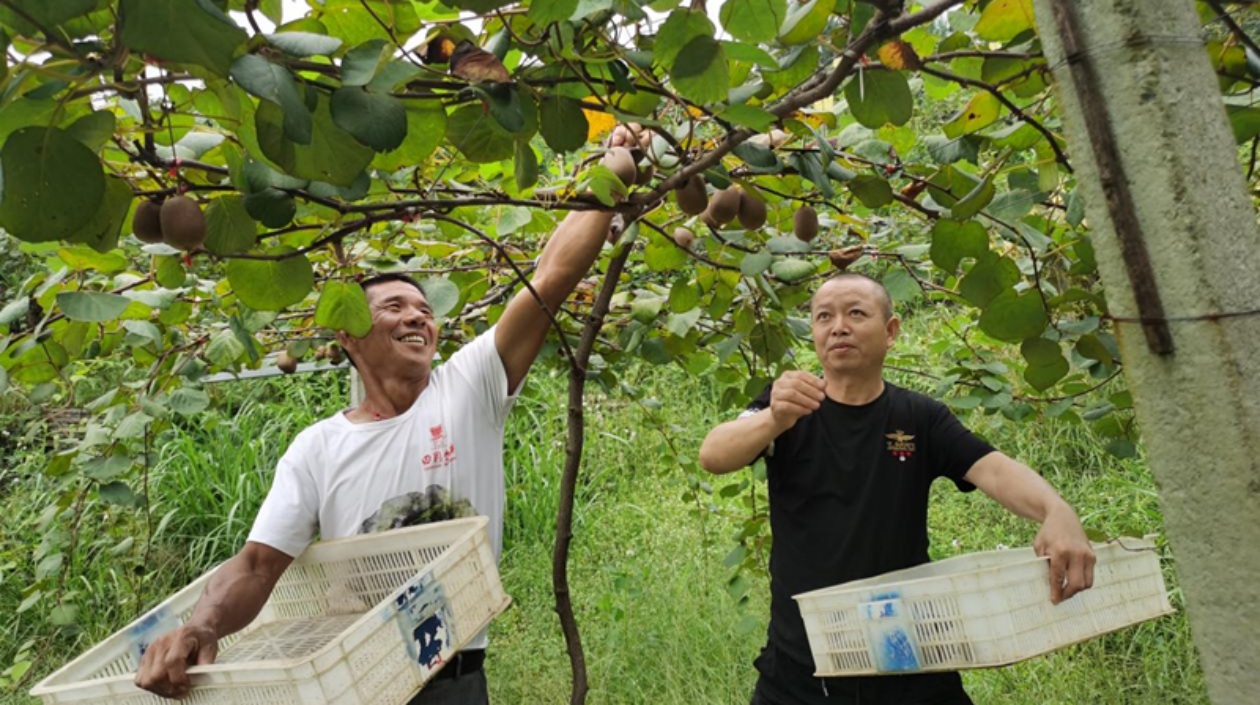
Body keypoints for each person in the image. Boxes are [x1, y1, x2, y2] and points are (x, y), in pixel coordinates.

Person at [134, 125, 650, 704]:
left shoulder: (468, 387)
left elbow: (548, 280)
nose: (418, 318)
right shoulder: (317, 447)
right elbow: (257, 565)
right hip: (356, 683)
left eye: (426, 310)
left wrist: (613, 171)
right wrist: (201, 627)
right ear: (347, 333)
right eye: (394, 306)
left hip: (451, 680)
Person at [698, 272, 1097, 705]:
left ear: (891, 331)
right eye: (823, 317)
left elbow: (995, 470)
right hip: (803, 660)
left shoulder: (919, 416)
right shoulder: (787, 404)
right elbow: (714, 455)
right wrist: (775, 418)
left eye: (856, 313)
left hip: (909, 653)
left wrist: (1057, 510)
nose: (838, 327)